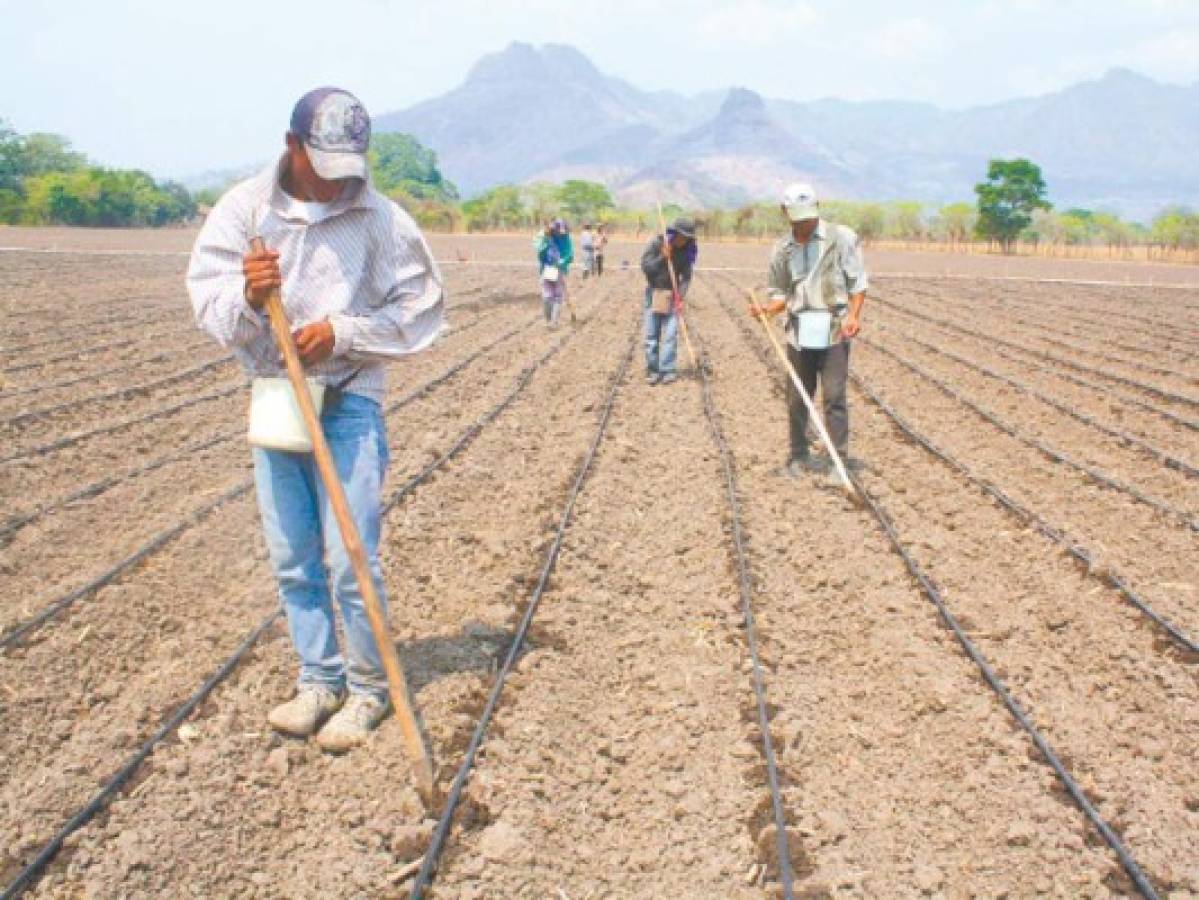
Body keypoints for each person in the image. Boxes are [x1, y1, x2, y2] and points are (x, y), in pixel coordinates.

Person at [186, 87, 445, 750]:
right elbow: (208, 304)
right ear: (292, 145)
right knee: (294, 557)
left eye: (346, 166)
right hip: (276, 398)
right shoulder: (243, 211)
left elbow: (420, 312)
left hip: (349, 400)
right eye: (321, 163)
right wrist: (248, 294)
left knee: (349, 556)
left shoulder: (383, 221)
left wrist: (343, 332)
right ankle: (318, 680)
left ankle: (366, 692)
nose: (335, 182)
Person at [752, 182, 868, 478]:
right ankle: (798, 454)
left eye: (808, 216)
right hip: (800, 330)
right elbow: (779, 292)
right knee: (797, 396)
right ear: (785, 213)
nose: (804, 223)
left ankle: (838, 461)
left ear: (816, 209)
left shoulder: (840, 238)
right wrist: (768, 310)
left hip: (833, 329)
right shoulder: (782, 249)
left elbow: (858, 284)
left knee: (834, 397)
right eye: (797, 217)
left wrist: (853, 316)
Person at [640, 217, 697, 385]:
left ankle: (668, 369)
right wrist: (663, 258)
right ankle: (652, 370)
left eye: (687, 238)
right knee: (652, 336)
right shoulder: (657, 244)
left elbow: (686, 277)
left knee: (671, 336)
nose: (683, 241)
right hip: (654, 293)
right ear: (674, 233)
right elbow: (645, 268)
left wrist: (680, 295)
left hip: (672, 296)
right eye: (681, 237)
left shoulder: (686, 252)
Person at [534, 219, 573, 328]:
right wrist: (562, 262)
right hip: (553, 269)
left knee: (548, 295)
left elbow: (539, 250)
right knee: (556, 296)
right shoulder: (562, 238)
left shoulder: (544, 237)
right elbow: (570, 255)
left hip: (549, 269)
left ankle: (549, 321)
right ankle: (552, 321)